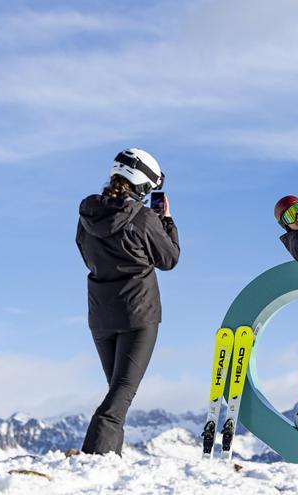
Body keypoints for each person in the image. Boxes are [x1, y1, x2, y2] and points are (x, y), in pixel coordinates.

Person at [75, 148, 180, 455]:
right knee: (122, 391)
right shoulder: (145, 218)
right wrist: (168, 222)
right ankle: (95, 457)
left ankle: (110, 458)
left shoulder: (87, 214)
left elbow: (85, 254)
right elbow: (169, 259)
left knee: (117, 391)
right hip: (138, 313)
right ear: (144, 184)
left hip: (101, 313)